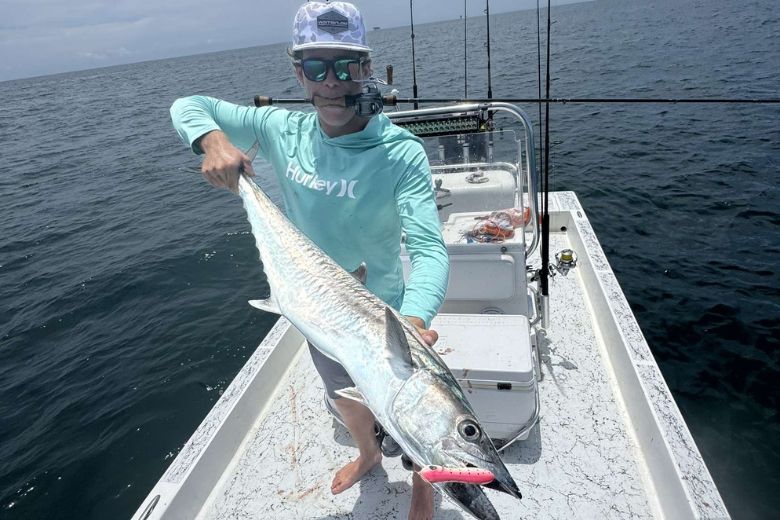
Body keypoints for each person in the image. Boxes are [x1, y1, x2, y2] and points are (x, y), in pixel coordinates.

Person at [170, 2, 449, 519]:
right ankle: (368, 454)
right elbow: (187, 104)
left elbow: (429, 249)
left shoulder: (401, 152)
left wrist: (413, 319)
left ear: (366, 68)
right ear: (299, 73)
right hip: (312, 303)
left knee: (413, 407)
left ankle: (423, 480)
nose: (332, 82)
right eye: (316, 67)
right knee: (342, 392)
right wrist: (213, 141)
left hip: (382, 315)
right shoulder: (280, 128)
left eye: (346, 66)